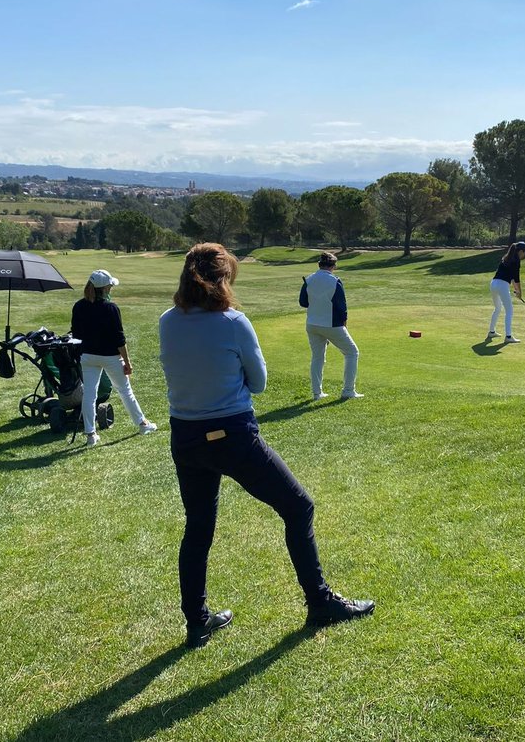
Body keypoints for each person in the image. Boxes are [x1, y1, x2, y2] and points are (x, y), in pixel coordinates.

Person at [158, 243, 375, 648]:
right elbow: (257, 383)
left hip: (185, 437)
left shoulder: (168, 321)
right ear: (225, 278)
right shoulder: (233, 322)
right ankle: (320, 602)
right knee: (299, 507)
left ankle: (196, 622)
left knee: (199, 527)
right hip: (232, 434)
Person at [70, 269, 157, 446]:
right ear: (106, 288)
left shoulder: (79, 306)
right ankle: (142, 424)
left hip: (88, 356)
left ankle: (90, 435)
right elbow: (119, 339)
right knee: (125, 391)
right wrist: (127, 362)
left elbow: (76, 334)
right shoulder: (111, 308)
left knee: (89, 394)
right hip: (110, 356)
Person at [299, 251, 362, 401]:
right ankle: (348, 390)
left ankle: (316, 393)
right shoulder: (335, 281)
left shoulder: (309, 279)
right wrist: (344, 324)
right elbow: (341, 307)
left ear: (319, 265)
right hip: (331, 324)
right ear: (333, 266)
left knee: (317, 358)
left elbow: (303, 302)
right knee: (352, 352)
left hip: (312, 324)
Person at [487, 241, 525, 343]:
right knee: (509, 310)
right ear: (520, 251)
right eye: (524, 253)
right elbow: (516, 279)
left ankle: (491, 332)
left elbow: (511, 278)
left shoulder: (506, 258)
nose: (524, 255)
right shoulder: (516, 261)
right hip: (502, 285)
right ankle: (508, 336)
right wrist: (520, 293)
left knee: (497, 308)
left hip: (493, 284)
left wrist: (517, 291)